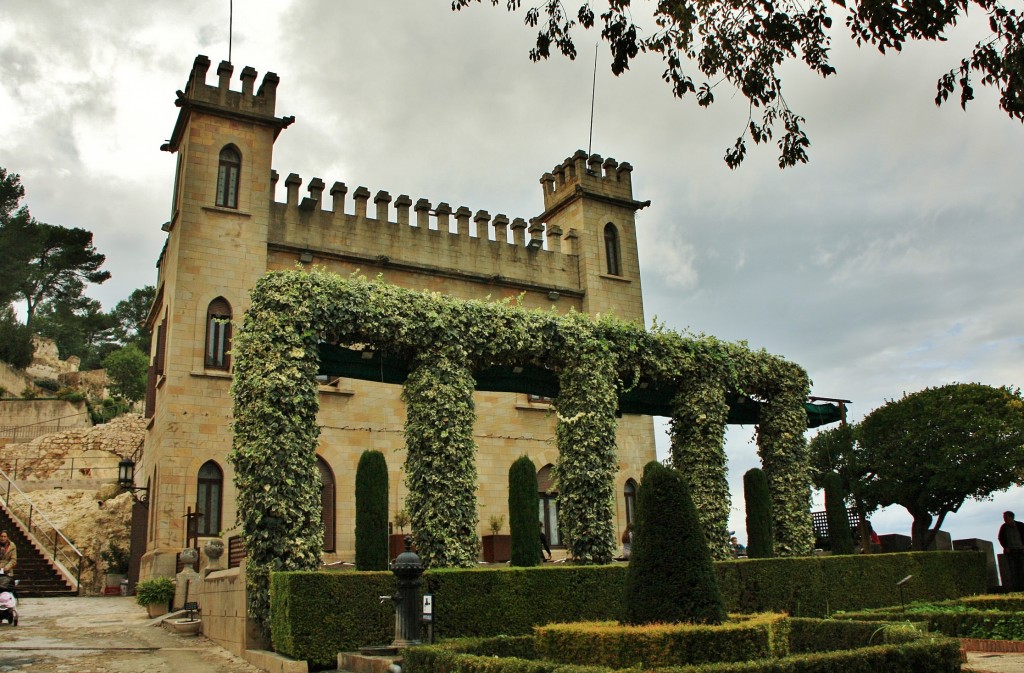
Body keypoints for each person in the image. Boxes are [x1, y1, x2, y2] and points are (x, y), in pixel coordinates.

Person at [998, 511, 1024, 591]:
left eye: (1006, 518)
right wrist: (1005, 547)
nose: (1004, 519)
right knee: (1013, 571)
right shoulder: (1004, 527)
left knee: (1022, 570)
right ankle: (1016, 589)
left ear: (1011, 517)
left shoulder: (1020, 525)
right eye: (1004, 518)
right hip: (1011, 552)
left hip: (1021, 551)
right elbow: (1000, 538)